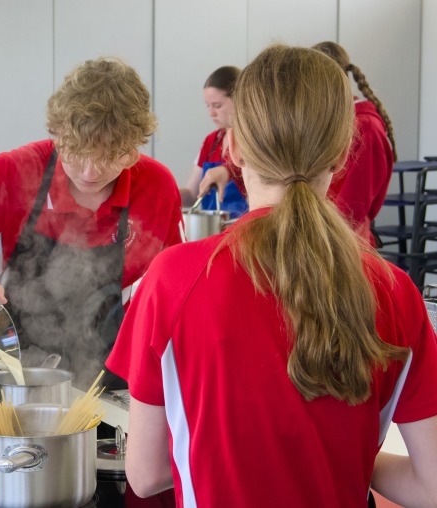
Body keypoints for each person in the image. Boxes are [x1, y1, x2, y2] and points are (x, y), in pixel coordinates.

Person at [107, 44, 437, 506]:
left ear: (235, 148)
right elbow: (431, 485)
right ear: (341, 154)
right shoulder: (395, 291)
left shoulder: (173, 278)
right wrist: (352, 454)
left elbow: (145, 474)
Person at [0, 57, 184, 390]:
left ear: (135, 146)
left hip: (111, 383)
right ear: (57, 134)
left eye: (111, 157)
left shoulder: (156, 187)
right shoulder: (17, 172)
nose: (90, 172)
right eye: (77, 152)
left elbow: (178, 287)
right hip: (7, 376)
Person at [199, 42, 395, 246]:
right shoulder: (318, 120)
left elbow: (351, 209)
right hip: (292, 236)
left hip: (337, 246)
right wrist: (228, 169)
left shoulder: (367, 129)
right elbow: (283, 150)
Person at [178, 66, 248, 218]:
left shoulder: (253, 140)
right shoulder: (211, 142)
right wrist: (163, 194)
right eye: (208, 106)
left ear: (239, 99)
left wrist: (227, 170)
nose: (211, 113)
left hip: (244, 229)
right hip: (213, 232)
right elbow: (192, 194)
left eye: (217, 105)